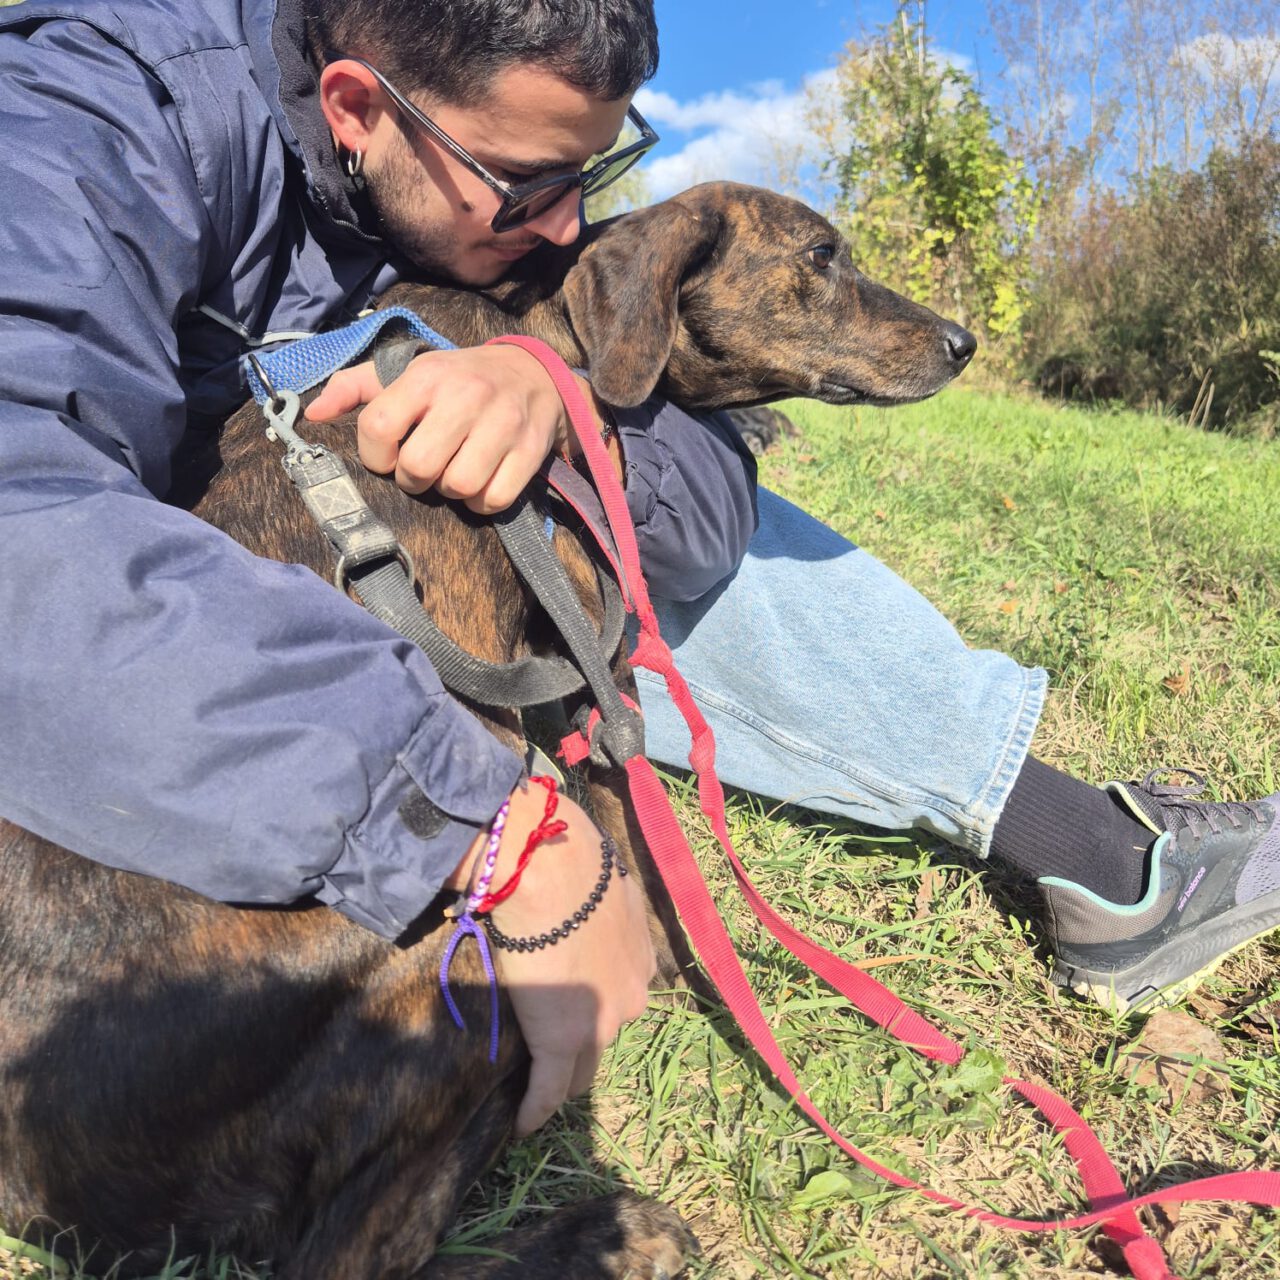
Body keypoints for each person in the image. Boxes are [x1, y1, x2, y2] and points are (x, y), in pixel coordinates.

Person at [1, 0, 1276, 1149]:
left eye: (594, 174)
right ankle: (1096, 850)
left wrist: (549, 390)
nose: (567, 225)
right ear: (353, 108)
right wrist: (476, 821)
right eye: (528, 187)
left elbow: (695, 497)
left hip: (380, 570)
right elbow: (27, 527)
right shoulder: (91, 115)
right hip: (162, 623)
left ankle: (1085, 846)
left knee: (597, 499)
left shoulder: (487, 180)